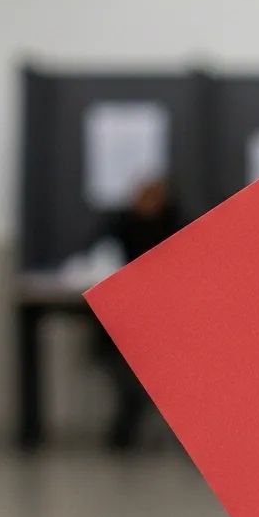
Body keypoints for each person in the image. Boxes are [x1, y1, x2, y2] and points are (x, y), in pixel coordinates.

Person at [96, 177, 182, 450]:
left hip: (166, 322)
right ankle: (123, 433)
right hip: (128, 323)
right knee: (129, 379)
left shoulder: (176, 225)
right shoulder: (122, 226)